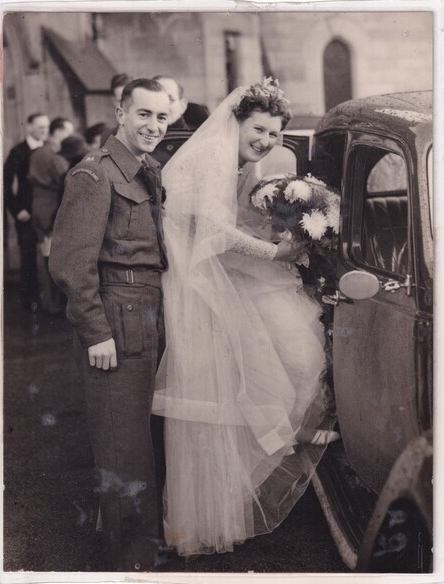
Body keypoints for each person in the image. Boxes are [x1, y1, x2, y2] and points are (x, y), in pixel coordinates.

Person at [152, 79, 339, 556]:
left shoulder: (234, 161)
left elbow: (220, 229)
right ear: (235, 121)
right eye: (259, 129)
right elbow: (215, 230)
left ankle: (221, 510)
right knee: (221, 385)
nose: (266, 141)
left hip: (206, 268)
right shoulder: (214, 155)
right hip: (193, 281)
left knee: (249, 373)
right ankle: (203, 521)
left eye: (275, 134)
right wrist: (276, 253)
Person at [49, 79, 170, 572]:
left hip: (146, 313)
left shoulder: (149, 169)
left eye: (162, 118)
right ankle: (131, 562)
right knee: (122, 448)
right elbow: (70, 264)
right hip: (117, 321)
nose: (153, 126)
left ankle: (144, 548)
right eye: (143, 114)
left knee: (141, 440)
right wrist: (96, 331)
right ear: (120, 113)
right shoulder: (93, 175)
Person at [3, 112, 50, 311]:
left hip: (47, 213)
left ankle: (51, 299)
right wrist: (17, 210)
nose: (44, 131)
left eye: (47, 128)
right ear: (29, 127)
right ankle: (30, 299)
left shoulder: (49, 150)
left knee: (50, 255)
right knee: (28, 256)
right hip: (26, 213)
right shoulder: (18, 152)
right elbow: (4, 185)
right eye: (40, 127)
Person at [29, 117, 73, 315]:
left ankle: (50, 303)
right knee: (55, 258)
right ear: (57, 132)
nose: (70, 136)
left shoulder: (38, 153)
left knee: (46, 255)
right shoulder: (54, 156)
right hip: (52, 208)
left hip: (39, 207)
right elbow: (66, 179)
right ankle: (57, 305)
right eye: (67, 132)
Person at [100, 73, 133, 146]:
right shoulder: (106, 137)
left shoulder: (147, 132)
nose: (124, 106)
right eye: (120, 101)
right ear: (113, 101)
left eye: (128, 100)